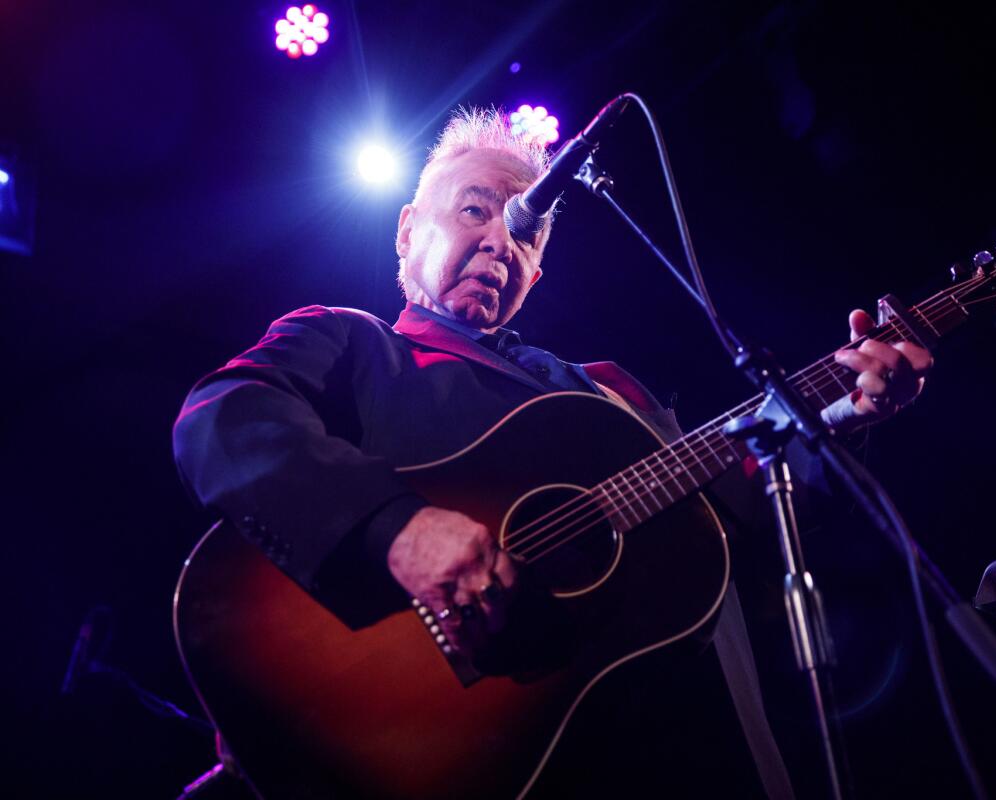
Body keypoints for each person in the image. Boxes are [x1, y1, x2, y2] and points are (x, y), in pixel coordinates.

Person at [173, 108, 932, 799]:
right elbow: (224, 418)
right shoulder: (354, 344)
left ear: (537, 272)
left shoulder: (609, 394)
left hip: (702, 751)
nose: (502, 240)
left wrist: (839, 411)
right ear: (407, 229)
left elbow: (740, 514)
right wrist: (394, 527)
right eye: (476, 208)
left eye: (526, 234)